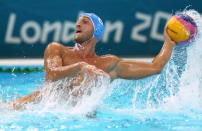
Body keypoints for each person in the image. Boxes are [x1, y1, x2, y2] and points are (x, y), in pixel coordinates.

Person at [4, 13, 175, 109]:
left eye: (85, 22)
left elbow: (156, 67)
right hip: (37, 108)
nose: (78, 25)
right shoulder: (57, 49)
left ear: (96, 32)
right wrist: (80, 66)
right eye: (78, 22)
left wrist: (169, 41)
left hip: (82, 119)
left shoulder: (109, 64)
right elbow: (52, 75)